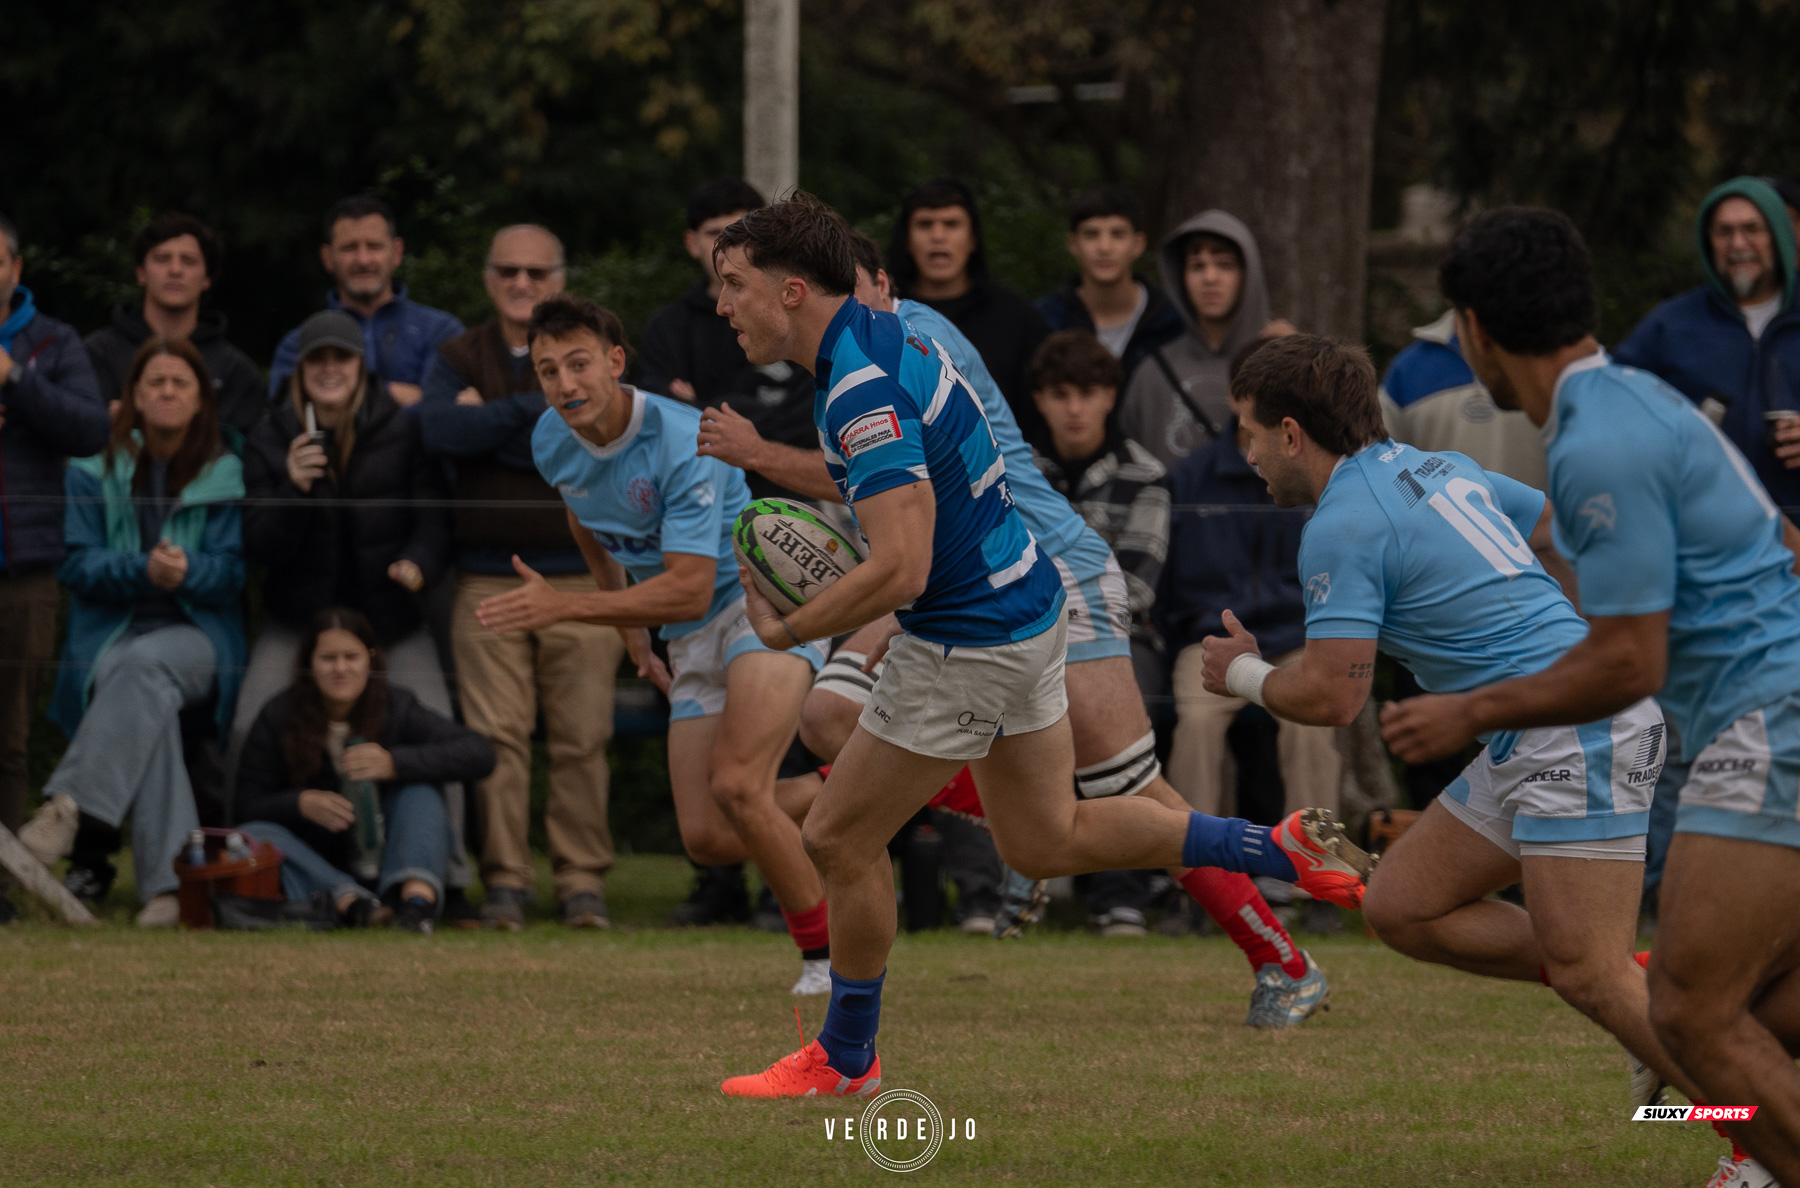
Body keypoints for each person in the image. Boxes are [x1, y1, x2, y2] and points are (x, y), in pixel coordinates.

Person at [710, 195, 1370, 1097]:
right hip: (1021, 601)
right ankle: (1277, 848)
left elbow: (901, 569)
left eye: (732, 284)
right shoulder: (896, 345)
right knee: (1048, 835)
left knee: (836, 835)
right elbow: (900, 493)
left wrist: (784, 628)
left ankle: (846, 1058)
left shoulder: (863, 380)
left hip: (974, 626)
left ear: (800, 290)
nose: (720, 305)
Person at [1380, 207, 1800, 1188]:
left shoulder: (1595, 442)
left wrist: (1471, 711)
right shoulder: (1639, 401)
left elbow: (1627, 666)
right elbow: (1774, 544)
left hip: (1765, 726)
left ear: (1476, 330)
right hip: (1766, 713)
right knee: (1758, 1007)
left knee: (1692, 1013)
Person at [473, 295, 837, 990]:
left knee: (739, 785)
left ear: (615, 362)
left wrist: (566, 608)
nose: (565, 384)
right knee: (707, 837)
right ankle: (848, 785)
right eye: (548, 371)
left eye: (578, 364)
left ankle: (824, 961)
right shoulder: (552, 439)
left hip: (762, 610)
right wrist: (631, 627)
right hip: (686, 635)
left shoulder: (681, 439)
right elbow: (586, 518)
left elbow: (692, 589)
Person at [415, 226, 626, 930]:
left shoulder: (588, 348)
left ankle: (581, 884)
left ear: (560, 279)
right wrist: (535, 412)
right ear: (487, 278)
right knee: (496, 738)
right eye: (508, 270)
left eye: (537, 272)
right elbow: (437, 431)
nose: (522, 283)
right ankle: (505, 883)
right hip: (485, 580)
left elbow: (603, 425)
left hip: (585, 581)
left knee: (582, 738)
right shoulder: (458, 354)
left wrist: (493, 419)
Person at [18, 338, 244, 928]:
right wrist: (139, 568)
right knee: (149, 700)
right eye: (155, 383)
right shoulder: (93, 470)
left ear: (200, 401)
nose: (167, 392)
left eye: (180, 383)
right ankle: (170, 887)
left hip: (198, 637)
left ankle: (66, 810)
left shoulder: (227, 472)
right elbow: (74, 562)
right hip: (111, 639)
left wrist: (188, 572)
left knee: (143, 667)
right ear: (134, 398)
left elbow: (235, 573)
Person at [235, 308, 459, 826]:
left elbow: (434, 522)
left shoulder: (401, 428)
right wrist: (293, 489)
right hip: (298, 624)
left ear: (362, 366)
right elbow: (258, 549)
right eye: (318, 359)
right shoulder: (270, 436)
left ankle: (445, 876)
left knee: (441, 728)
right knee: (249, 727)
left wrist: (417, 564)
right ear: (299, 369)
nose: (329, 368)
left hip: (389, 620)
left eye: (342, 357)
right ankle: (248, 863)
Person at [1158, 337, 1344, 934]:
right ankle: (1201, 887)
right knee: (1195, 723)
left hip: (1295, 637)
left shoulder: (1320, 477)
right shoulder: (1190, 478)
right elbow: (1170, 582)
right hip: (1212, 637)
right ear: (1240, 401)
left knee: (1314, 730)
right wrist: (1200, 628)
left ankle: (1324, 885)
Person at [1028, 329, 1170, 936]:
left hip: (1119, 635)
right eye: (1061, 394)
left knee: (1125, 716)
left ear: (1111, 396)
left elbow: (1137, 588)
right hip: (1025, 634)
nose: (1075, 409)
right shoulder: (1019, 474)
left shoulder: (1146, 474)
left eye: (1088, 393)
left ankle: (1121, 890)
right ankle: (1004, 886)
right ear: (1039, 400)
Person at [236, 608, 496, 934]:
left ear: (370, 660)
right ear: (309, 664)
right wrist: (299, 803)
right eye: (328, 658)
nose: (340, 668)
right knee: (254, 834)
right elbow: (245, 806)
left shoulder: (397, 706)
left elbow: (480, 753)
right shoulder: (278, 715)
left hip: (388, 850)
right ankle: (353, 903)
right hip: (321, 856)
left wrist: (394, 763)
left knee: (422, 792)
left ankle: (416, 904)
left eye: (351, 657)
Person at [0, 213, 111, 900]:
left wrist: (15, 380)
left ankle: (3, 888)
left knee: (9, 739)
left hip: (25, 570)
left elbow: (91, 429)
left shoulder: (53, 341)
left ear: (15, 268)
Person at [1116, 210, 1292, 469]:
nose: (1210, 278)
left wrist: (1300, 360)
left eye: (1225, 264)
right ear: (1180, 277)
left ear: (1248, 274)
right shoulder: (1152, 374)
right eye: (1197, 266)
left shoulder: (1286, 366)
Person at [887, 178, 1051, 446]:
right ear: (906, 240)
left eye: (951, 224)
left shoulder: (1018, 318)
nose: (938, 236)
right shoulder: (879, 316)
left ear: (973, 239)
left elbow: (1042, 416)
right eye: (925, 224)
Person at [267, 196, 464, 406]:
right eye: (349, 248)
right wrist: (403, 395)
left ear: (396, 253)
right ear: (327, 257)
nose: (363, 260)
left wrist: (340, 399)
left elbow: (444, 416)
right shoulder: (299, 344)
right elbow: (287, 420)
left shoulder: (441, 332)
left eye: (374, 246)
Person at [83, 212, 263, 441]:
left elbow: (246, 458)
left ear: (207, 278)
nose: (175, 270)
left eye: (188, 261)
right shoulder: (97, 354)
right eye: (162, 259)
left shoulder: (236, 372)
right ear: (140, 273)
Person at [1377, 310, 1548, 491]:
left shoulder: (1550, 358)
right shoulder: (1409, 369)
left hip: (1545, 518)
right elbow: (1381, 470)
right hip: (1436, 518)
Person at [1035, 187, 1182, 382]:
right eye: (1091, 235)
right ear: (1073, 244)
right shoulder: (1044, 321)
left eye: (1118, 234)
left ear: (1138, 244)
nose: (1105, 247)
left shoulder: (1172, 321)